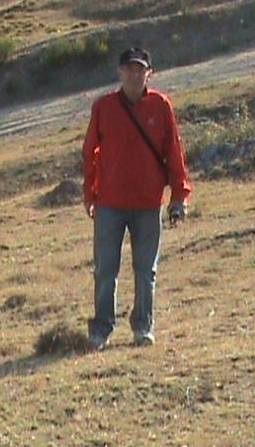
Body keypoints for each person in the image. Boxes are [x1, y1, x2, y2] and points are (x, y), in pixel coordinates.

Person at [82, 47, 193, 350]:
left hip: (147, 203)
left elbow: (174, 152)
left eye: (140, 69)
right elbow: (90, 152)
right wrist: (89, 193)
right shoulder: (104, 107)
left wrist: (179, 196)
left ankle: (143, 327)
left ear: (149, 74)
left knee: (146, 271)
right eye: (129, 69)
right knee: (105, 270)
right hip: (109, 203)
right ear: (120, 73)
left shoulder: (161, 106)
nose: (134, 75)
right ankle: (101, 329)